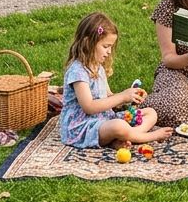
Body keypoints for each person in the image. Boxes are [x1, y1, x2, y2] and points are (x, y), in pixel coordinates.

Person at [60, 12, 172, 148]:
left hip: (104, 119)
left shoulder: (98, 67)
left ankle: (124, 137)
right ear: (88, 43)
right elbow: (89, 107)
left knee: (151, 112)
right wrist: (122, 96)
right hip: (83, 126)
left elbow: (108, 97)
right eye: (105, 46)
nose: (108, 52)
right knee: (118, 126)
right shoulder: (78, 72)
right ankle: (145, 137)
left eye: (111, 47)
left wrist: (129, 97)